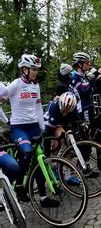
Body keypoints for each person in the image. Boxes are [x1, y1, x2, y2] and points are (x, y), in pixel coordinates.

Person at [1, 54, 60, 207]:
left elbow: (38, 107)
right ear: (25, 69)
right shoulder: (15, 84)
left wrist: (42, 127)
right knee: (27, 152)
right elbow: (2, 96)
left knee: (39, 163)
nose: (36, 72)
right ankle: (19, 185)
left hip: (34, 126)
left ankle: (43, 198)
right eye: (33, 69)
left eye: (36, 69)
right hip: (19, 127)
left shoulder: (35, 86)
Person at [71, 52, 99, 121]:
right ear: (80, 64)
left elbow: (91, 88)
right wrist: (92, 80)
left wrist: (94, 79)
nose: (89, 65)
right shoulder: (75, 76)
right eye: (87, 63)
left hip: (89, 105)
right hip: (83, 108)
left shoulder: (83, 76)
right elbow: (84, 93)